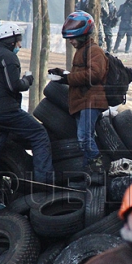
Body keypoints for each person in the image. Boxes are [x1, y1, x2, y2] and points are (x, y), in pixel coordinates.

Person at [0, 23, 54, 217]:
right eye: (19, 40)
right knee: (39, 134)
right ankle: (44, 185)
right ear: (12, 40)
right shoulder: (8, 57)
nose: (20, 43)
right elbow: (14, 86)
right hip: (5, 111)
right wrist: (27, 79)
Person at [48, 11, 109, 175]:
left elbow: (94, 75)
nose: (71, 41)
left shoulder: (94, 51)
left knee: (84, 137)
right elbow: (80, 74)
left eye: (73, 38)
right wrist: (62, 74)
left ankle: (98, 166)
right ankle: (88, 170)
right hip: (82, 102)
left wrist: (67, 79)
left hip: (91, 101)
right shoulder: (83, 50)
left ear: (84, 35)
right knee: (83, 139)